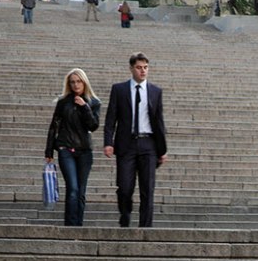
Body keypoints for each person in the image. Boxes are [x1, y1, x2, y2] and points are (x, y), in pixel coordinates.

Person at [104, 52, 167, 228]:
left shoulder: (155, 91)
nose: (143, 71)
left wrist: (162, 150)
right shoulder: (119, 89)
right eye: (139, 68)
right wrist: (108, 142)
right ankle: (125, 216)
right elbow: (111, 119)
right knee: (124, 188)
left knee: (148, 189)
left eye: (145, 67)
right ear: (131, 68)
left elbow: (159, 122)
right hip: (127, 144)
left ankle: (145, 228)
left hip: (149, 144)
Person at [45, 68, 101, 226]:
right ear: (69, 84)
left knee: (81, 192)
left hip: (85, 152)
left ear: (84, 82)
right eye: (72, 82)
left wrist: (85, 107)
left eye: (79, 81)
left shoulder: (94, 102)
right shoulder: (63, 102)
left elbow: (94, 125)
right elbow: (53, 126)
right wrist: (49, 150)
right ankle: (70, 227)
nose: (76, 85)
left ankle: (78, 227)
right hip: (66, 149)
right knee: (73, 189)